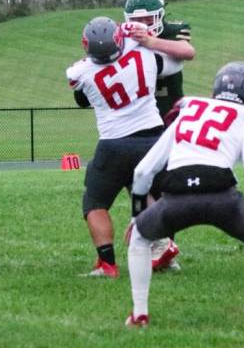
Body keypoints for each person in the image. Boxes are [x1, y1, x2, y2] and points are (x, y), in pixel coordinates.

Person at [125, 61, 244, 327]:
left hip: (176, 197)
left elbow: (143, 171)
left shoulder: (189, 109)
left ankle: (139, 314)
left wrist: (139, 215)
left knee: (139, 237)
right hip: (222, 196)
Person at [66, 16, 182, 278]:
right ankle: (163, 243)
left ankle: (107, 265)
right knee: (151, 194)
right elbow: (176, 63)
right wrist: (146, 39)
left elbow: (77, 90)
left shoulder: (82, 72)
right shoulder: (145, 54)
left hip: (114, 143)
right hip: (152, 138)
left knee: (94, 203)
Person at [123, 0, 195, 271]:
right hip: (137, 120)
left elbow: (187, 51)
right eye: (136, 20)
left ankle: (164, 246)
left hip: (169, 117)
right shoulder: (122, 37)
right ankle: (159, 242)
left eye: (147, 19)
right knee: (136, 178)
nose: (141, 25)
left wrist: (151, 42)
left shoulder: (173, 31)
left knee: (166, 185)